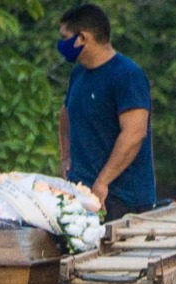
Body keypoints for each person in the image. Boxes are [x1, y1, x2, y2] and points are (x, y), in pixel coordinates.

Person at [57, 3, 156, 221]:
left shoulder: (127, 75)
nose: (61, 44)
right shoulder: (78, 74)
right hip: (82, 194)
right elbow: (66, 115)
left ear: (82, 38)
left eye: (65, 37)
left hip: (122, 198)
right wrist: (65, 158)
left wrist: (103, 181)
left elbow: (134, 133)